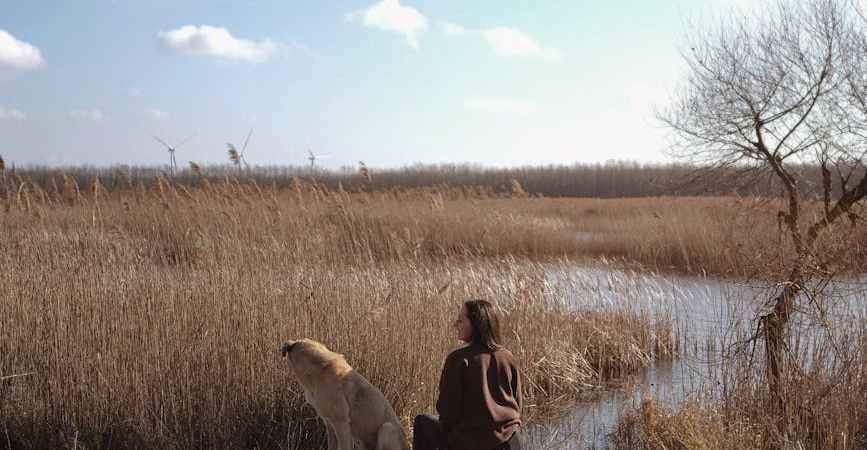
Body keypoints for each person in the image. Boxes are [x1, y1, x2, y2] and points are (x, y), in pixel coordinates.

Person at [414, 300, 523, 450]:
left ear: (475, 324)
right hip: (510, 441)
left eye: (460, 320)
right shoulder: (507, 357)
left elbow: (446, 412)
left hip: (471, 443)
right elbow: (517, 403)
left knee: (422, 422)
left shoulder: (458, 359)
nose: (455, 324)